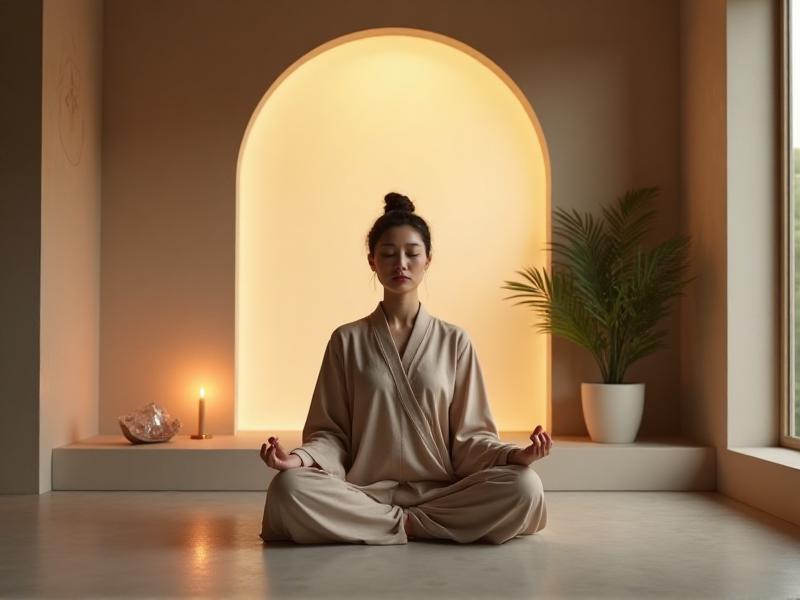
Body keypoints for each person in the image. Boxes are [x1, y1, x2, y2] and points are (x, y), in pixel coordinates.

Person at [259, 192, 552, 545]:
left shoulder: (455, 341)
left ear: (428, 259)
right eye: (388, 253)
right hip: (363, 494)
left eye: (412, 253)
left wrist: (515, 455)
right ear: (372, 261)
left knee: (525, 486)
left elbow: (471, 438)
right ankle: (418, 526)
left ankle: (388, 525)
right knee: (288, 488)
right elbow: (331, 435)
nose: (401, 263)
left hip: (443, 494)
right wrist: (298, 460)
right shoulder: (346, 340)